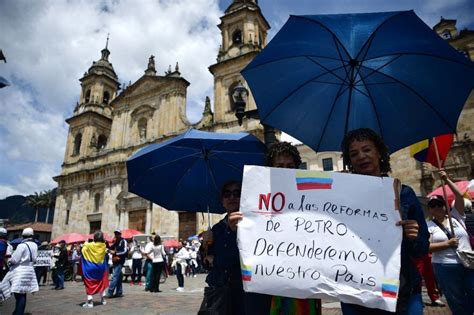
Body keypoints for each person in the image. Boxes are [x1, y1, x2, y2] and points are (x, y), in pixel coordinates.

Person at [338, 128, 429, 314]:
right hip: (357, 294)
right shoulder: (343, 199)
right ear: (350, 162)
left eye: (367, 150)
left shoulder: (404, 194)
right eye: (354, 154)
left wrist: (413, 236)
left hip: (403, 292)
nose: (361, 156)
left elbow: (422, 249)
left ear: (379, 153)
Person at [243, 141, 322, 314]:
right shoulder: (255, 200)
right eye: (279, 166)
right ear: (270, 169)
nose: (285, 170)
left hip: (301, 284)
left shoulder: (311, 198)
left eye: (290, 166)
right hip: (266, 286)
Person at [427, 170, 474, 315]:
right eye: (433, 205)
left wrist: (447, 179)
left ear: (445, 205)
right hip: (445, 266)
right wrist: (447, 244)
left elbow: (459, 196)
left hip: (468, 262)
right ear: (430, 210)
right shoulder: (429, 226)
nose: (437, 207)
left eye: (439, 204)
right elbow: (426, 247)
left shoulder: (456, 217)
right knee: (457, 300)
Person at [200, 181, 245, 314]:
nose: (232, 197)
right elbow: (206, 262)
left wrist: (234, 232)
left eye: (237, 193)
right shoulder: (217, 228)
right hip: (218, 291)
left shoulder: (252, 223)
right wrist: (204, 246)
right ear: (222, 200)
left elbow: (242, 258)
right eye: (227, 194)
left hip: (243, 293)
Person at [6, 227, 39, 315]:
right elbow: (35, 259)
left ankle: (18, 312)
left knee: (19, 294)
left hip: (20, 270)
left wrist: (9, 260)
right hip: (30, 270)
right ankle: (18, 311)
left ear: (23, 236)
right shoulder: (35, 245)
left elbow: (15, 260)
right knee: (23, 293)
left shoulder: (22, 245)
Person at [81, 231, 109, 308]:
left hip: (90, 267)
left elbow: (83, 251)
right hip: (100, 267)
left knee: (89, 283)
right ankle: (103, 300)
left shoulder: (89, 245)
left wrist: (86, 242)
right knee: (100, 282)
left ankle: (90, 302)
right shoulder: (103, 245)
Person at [106, 229, 127, 298]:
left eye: (118, 234)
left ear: (120, 234)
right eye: (115, 234)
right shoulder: (115, 242)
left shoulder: (123, 241)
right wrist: (106, 245)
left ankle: (110, 292)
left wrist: (115, 252)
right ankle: (119, 292)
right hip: (115, 261)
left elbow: (125, 251)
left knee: (114, 277)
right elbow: (110, 248)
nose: (116, 235)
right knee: (119, 277)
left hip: (120, 261)